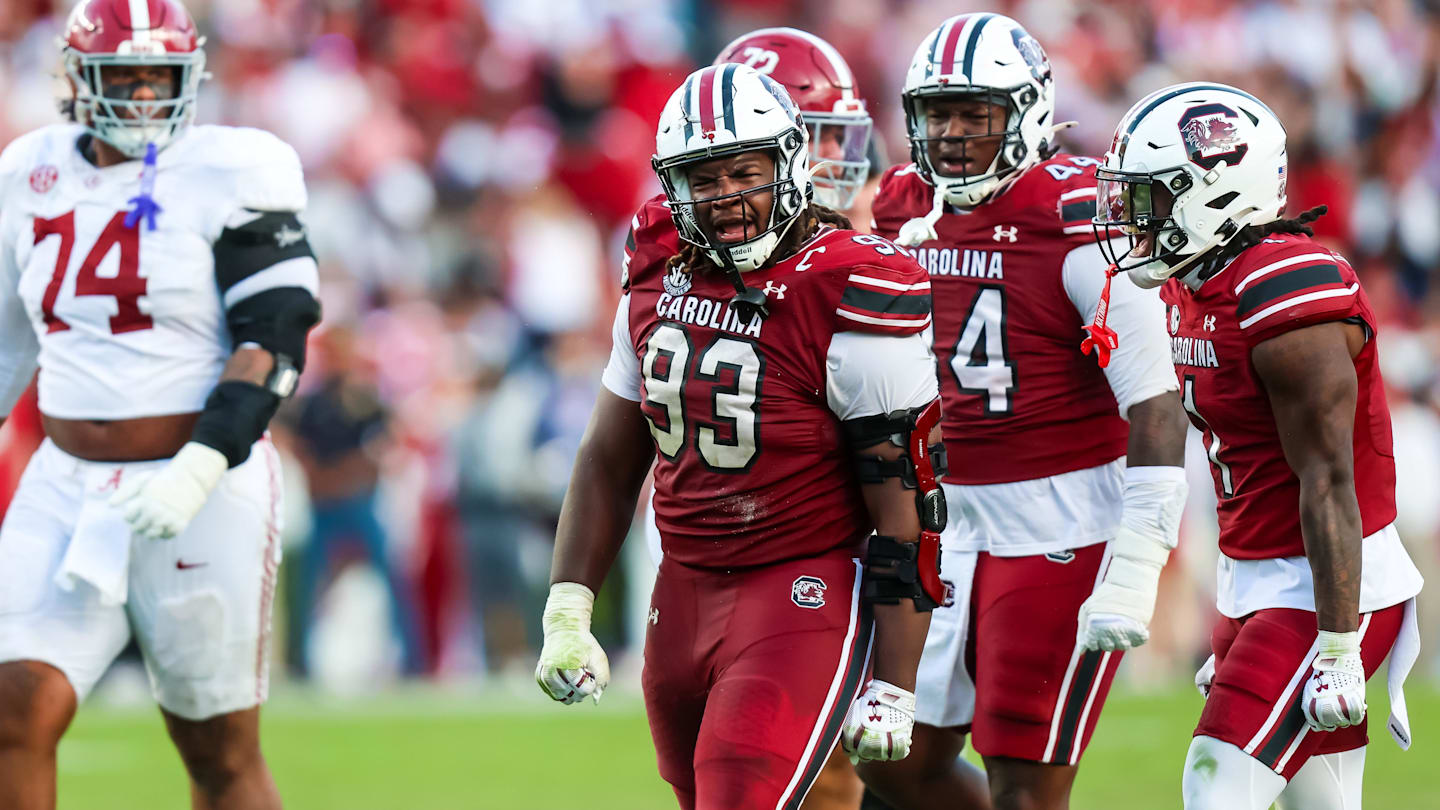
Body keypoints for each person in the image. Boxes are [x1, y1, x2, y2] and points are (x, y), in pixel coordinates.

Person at [535, 63, 948, 809]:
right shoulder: (659, 261)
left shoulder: (847, 284)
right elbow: (608, 454)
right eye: (701, 179)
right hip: (684, 584)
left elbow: (905, 507)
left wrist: (894, 682)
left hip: (801, 585)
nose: (724, 196)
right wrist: (568, 606)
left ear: (790, 162)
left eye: (743, 171)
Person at [864, 13, 1190, 810]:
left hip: (1061, 518)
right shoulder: (904, 206)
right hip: (939, 517)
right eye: (937, 113)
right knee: (889, 760)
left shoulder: (1081, 213)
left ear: (1030, 110)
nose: (951, 133)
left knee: (1025, 782)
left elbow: (1155, 400)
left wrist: (1138, 565)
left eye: (975, 112)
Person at [0, 1, 320, 808]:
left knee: (216, 750)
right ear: (77, 77)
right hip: (64, 479)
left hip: (203, 481)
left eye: (159, 77)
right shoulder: (24, 171)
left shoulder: (237, 165)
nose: (144, 95)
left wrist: (203, 462)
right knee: (11, 713)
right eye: (125, 75)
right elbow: (7, 346)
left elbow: (275, 335)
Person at [1091, 81, 1422, 810]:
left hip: (1330, 588)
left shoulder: (1285, 286)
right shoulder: (1197, 278)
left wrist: (1337, 645)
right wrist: (1236, 614)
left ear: (1213, 193)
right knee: (1325, 805)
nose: (1132, 221)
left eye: (1149, 199)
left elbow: (1330, 478)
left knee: (1214, 784)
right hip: (1264, 578)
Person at [638, 28, 892, 810]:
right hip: (717, 544)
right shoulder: (671, 248)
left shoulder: (865, 257)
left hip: (855, 544)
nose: (832, 163)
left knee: (862, 764)